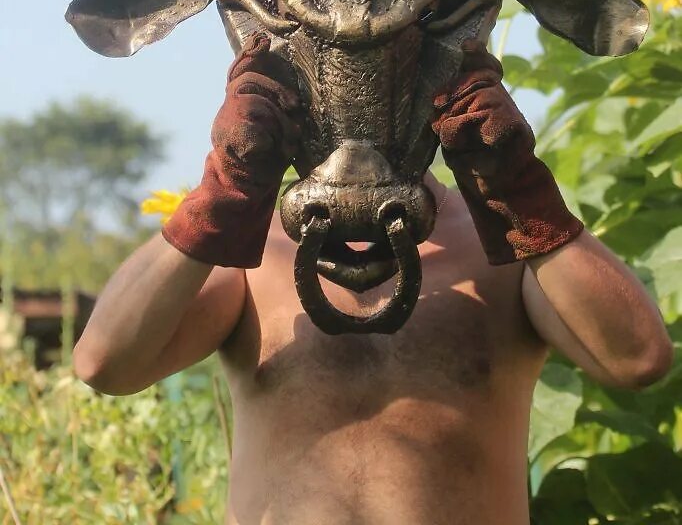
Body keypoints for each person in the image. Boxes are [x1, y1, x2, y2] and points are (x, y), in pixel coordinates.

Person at [74, 34, 673, 525]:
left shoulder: (507, 247)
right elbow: (105, 362)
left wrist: (520, 190)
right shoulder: (251, 252)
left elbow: (637, 359)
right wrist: (222, 194)